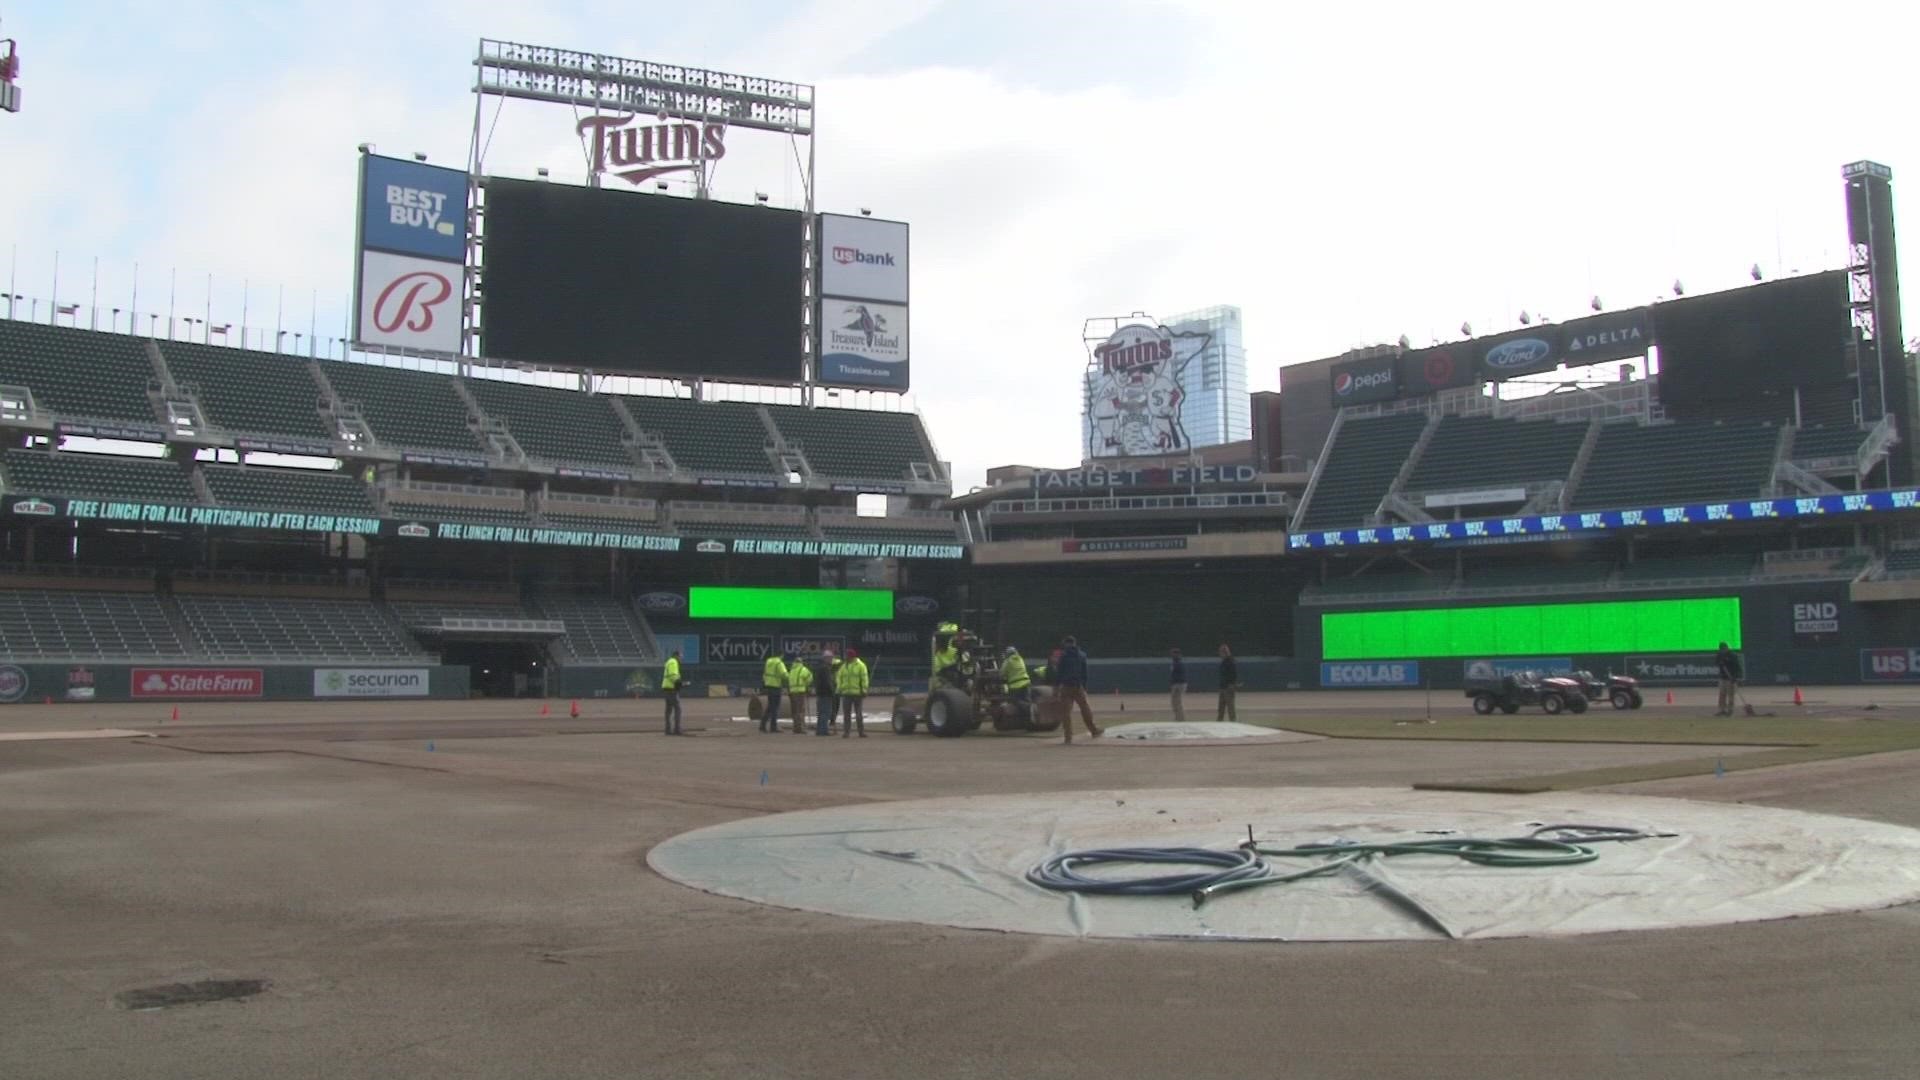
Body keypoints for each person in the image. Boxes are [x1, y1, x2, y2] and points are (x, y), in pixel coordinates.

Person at [1054, 635, 1100, 742]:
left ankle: (1068, 737)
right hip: (1078, 686)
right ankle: (1093, 730)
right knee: (1085, 708)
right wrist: (1084, 686)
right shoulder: (1082, 655)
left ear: (1066, 643)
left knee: (1066, 713)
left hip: (1066, 687)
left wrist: (1057, 687)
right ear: (1074, 643)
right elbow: (1085, 673)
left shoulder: (1063, 656)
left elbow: (1059, 673)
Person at [838, 648, 870, 737]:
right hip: (846, 693)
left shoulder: (860, 665)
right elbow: (839, 678)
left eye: (847, 656)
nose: (846, 658)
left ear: (852, 657)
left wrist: (864, 690)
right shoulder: (843, 666)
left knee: (858, 714)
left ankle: (861, 732)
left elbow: (864, 679)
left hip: (857, 693)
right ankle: (846, 732)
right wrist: (839, 688)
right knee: (846, 715)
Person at [760, 650, 791, 733]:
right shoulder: (779, 663)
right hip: (776, 686)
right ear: (781, 655)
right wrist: (790, 678)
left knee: (770, 706)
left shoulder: (768, 662)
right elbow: (784, 674)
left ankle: (762, 725)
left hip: (768, 685)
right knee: (775, 708)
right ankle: (773, 727)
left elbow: (765, 673)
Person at [784, 651, 813, 733]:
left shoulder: (791, 670)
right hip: (800, 691)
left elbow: (788, 680)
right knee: (801, 710)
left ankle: (795, 727)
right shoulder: (803, 669)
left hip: (792, 692)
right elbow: (810, 677)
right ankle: (801, 728)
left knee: (794, 710)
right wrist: (807, 685)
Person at [816, 652, 840, 736]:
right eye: (830, 658)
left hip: (820, 693)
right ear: (826, 658)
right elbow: (828, 682)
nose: (832, 660)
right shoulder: (825, 669)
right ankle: (823, 731)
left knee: (821, 712)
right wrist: (832, 691)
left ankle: (819, 730)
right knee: (825, 712)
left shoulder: (820, 667)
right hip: (826, 693)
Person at [660, 649, 684, 735]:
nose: (681, 658)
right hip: (671, 689)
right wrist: (679, 682)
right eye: (680, 656)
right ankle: (677, 729)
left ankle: (668, 730)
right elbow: (673, 675)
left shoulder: (669, 661)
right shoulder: (673, 662)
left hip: (666, 688)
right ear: (676, 655)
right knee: (678, 709)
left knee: (668, 710)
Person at [1716, 641, 1742, 716]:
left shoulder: (1732, 655)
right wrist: (1720, 662)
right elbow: (1717, 662)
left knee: (1731, 695)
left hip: (1731, 678)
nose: (1722, 650)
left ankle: (1730, 710)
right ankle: (1722, 710)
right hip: (1723, 678)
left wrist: (1735, 677)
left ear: (1726, 648)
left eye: (1723, 649)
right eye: (1721, 649)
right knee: (1722, 694)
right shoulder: (1719, 654)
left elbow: (1737, 667)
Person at [1216, 644, 1238, 722]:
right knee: (1221, 708)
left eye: (1221, 652)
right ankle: (1219, 722)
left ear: (1225, 652)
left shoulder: (1231, 661)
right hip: (1222, 687)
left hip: (1228, 687)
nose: (1220, 654)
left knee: (1230, 707)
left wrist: (1232, 685)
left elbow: (1234, 674)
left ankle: (1233, 722)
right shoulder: (1224, 662)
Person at [1169, 647, 1188, 722]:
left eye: (1173, 653)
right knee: (1174, 702)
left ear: (1177, 654)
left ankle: (1181, 719)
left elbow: (1180, 676)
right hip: (1177, 684)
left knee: (1178, 702)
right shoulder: (1175, 662)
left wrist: (1175, 685)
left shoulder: (1179, 663)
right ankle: (1178, 718)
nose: (1172, 655)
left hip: (1179, 684)